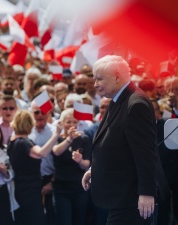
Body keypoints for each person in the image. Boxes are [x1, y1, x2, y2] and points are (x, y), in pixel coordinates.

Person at [82, 55, 158, 225]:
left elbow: (145, 153)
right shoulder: (119, 99)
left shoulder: (135, 103)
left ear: (117, 76)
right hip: (119, 197)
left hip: (130, 201)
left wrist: (146, 192)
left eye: (99, 79)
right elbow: (117, 146)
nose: (95, 84)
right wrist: (96, 169)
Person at [7, 110, 62, 225]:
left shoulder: (11, 141)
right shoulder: (24, 142)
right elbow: (41, 153)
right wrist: (56, 134)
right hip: (30, 190)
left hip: (19, 188)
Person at [52, 108, 91, 225]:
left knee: (80, 220)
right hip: (61, 188)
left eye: (74, 122)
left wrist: (80, 161)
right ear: (62, 123)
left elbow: (87, 165)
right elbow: (56, 151)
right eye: (68, 122)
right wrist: (69, 139)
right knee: (64, 221)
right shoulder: (58, 138)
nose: (72, 125)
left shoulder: (84, 139)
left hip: (80, 188)